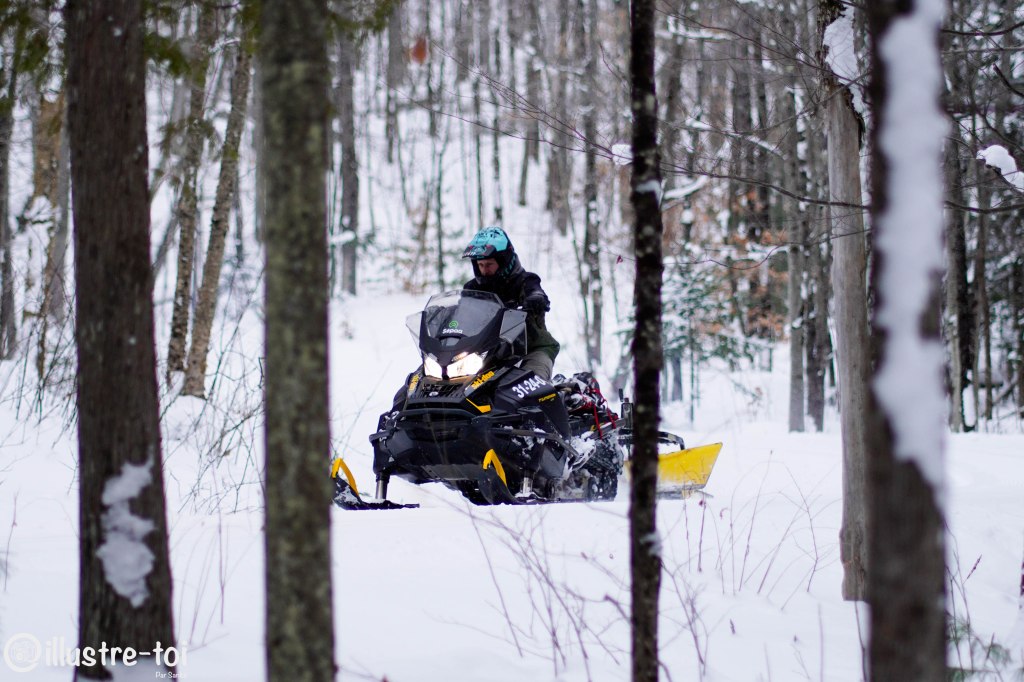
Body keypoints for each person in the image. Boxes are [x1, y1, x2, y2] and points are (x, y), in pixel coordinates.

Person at [462, 227, 560, 380]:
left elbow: (536, 291)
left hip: (531, 349)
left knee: (531, 387)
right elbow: (461, 318)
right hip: (486, 354)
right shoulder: (472, 289)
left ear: (503, 262)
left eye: (489, 265)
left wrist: (536, 298)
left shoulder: (526, 281)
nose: (484, 270)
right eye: (480, 265)